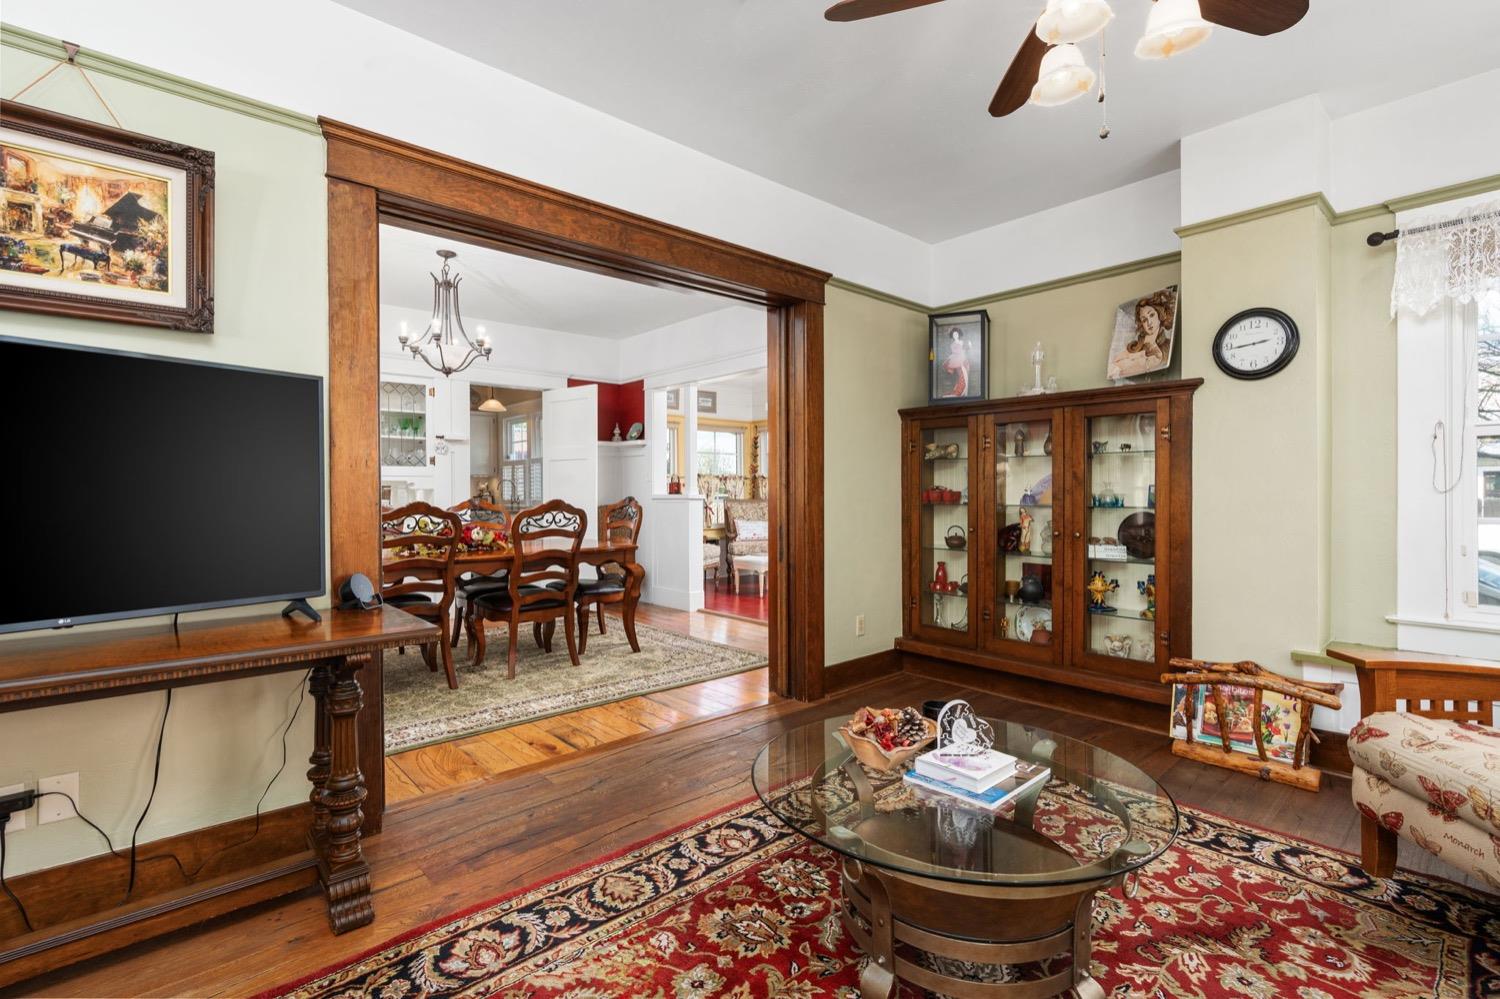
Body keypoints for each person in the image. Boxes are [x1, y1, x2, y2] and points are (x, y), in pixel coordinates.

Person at [943, 328, 970, 397]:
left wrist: (969, 345)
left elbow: (967, 349)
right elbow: (953, 353)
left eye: (956, 334)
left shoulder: (962, 342)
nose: (955, 335)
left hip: (963, 360)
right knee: (961, 376)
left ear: (958, 334)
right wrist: (948, 359)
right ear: (952, 336)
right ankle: (959, 392)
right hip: (957, 361)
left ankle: (965, 393)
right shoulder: (952, 345)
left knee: (965, 376)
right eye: (954, 334)